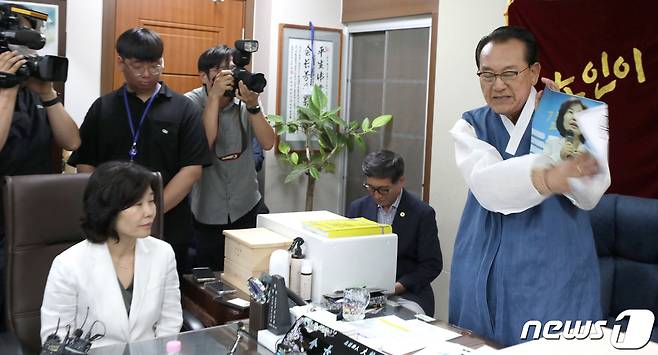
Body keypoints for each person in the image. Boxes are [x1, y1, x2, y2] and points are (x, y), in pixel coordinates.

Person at [448, 26, 610, 346]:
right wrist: (547, 175)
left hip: (554, 264)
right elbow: (486, 185)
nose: (498, 85)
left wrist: (554, 120)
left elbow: (591, 193)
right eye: (487, 75)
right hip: (482, 257)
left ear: (534, 71)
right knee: (479, 342)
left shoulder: (570, 115)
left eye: (510, 73)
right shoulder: (470, 124)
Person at [68, 28, 212, 275]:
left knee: (164, 295)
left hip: (169, 226)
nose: (147, 74)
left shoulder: (183, 108)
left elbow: (191, 170)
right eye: (137, 66)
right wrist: (112, 212)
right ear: (121, 62)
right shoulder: (103, 108)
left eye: (155, 65)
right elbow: (86, 164)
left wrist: (150, 212)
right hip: (111, 225)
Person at [40, 161, 182, 348]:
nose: (149, 212)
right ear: (107, 210)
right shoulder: (68, 265)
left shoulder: (163, 253)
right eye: (137, 204)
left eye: (151, 201)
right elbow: (55, 338)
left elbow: (170, 321)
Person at [0, 4, 80, 331]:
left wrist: (47, 94)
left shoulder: (32, 87)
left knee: (34, 301)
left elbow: (72, 141)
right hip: (1, 218)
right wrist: (6, 91)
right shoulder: (7, 89)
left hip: (35, 213)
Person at [185, 45, 275, 271]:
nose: (229, 76)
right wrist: (214, 99)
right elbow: (203, 146)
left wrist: (253, 105)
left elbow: (268, 142)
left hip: (247, 205)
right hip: (207, 212)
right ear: (203, 77)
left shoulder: (244, 101)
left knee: (254, 273)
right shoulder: (190, 104)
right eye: (221, 70)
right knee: (210, 281)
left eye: (232, 69)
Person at [347, 150, 443, 316]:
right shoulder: (358, 208)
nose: (376, 195)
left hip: (407, 294)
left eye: (383, 190)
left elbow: (432, 265)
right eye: (371, 188)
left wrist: (396, 287)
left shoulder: (421, 213)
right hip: (363, 293)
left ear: (401, 182)